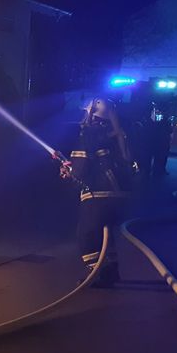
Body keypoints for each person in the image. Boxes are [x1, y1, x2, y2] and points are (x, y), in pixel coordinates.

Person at [60, 97, 135, 286]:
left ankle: (96, 273)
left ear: (92, 113)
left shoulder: (90, 132)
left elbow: (81, 167)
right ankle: (110, 272)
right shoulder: (117, 133)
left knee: (86, 234)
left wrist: (69, 172)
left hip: (98, 193)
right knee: (105, 235)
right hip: (120, 194)